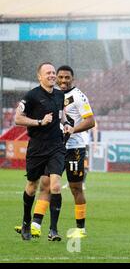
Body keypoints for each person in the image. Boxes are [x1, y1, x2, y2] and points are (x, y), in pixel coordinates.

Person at [15, 65, 95, 239]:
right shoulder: (55, 95)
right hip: (55, 147)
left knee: (75, 187)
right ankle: (35, 225)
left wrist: (72, 129)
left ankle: (80, 229)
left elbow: (91, 121)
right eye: (60, 77)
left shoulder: (78, 96)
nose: (63, 81)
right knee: (46, 185)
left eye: (67, 78)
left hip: (74, 148)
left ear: (72, 79)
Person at [14, 62, 72, 241]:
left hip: (56, 146)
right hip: (37, 147)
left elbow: (62, 116)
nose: (52, 75)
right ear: (39, 76)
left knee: (55, 185)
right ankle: (26, 222)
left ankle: (53, 230)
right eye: (48, 73)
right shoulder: (31, 96)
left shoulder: (60, 95)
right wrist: (40, 121)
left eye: (53, 73)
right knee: (32, 186)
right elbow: (18, 119)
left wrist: (67, 124)